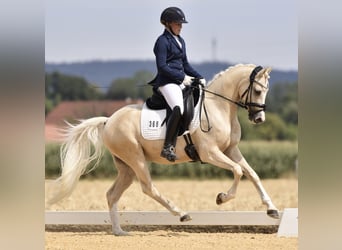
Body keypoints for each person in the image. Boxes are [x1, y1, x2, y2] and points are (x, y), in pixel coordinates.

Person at [150, 7, 206, 162]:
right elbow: (162, 66)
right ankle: (168, 146)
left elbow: (186, 64)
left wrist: (199, 77)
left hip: (180, 81)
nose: (180, 26)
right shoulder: (162, 42)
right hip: (167, 82)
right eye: (177, 24)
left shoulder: (180, 41)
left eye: (181, 24)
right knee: (178, 108)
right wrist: (182, 77)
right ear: (167, 24)